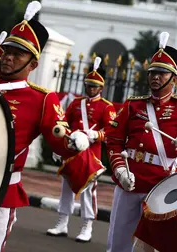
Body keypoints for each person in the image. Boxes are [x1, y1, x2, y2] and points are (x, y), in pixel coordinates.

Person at [0, 1, 90, 252]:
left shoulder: (42, 99)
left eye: (18, 54)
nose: (8, 57)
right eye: (7, 51)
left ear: (33, 64)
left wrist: (73, 141)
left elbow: (59, 141)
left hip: (1, 189)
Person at [105, 31, 177, 252]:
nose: (155, 77)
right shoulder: (133, 105)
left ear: (174, 79)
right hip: (130, 178)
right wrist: (120, 170)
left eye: (162, 73)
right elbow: (114, 140)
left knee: (154, 245)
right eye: (152, 72)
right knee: (118, 242)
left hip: (163, 184)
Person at [47, 57, 116, 242]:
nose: (90, 89)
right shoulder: (76, 103)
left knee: (88, 191)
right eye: (88, 85)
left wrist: (95, 136)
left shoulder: (106, 107)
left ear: (101, 88)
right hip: (71, 152)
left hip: (90, 156)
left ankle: (87, 226)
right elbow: (63, 122)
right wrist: (59, 147)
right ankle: (62, 222)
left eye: (94, 86)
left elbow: (111, 131)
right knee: (66, 188)